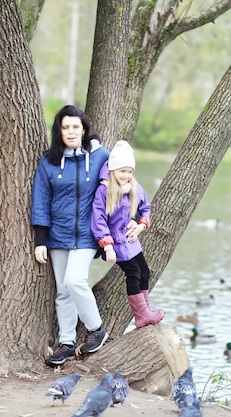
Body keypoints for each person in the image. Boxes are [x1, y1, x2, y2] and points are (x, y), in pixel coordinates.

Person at [31, 104, 110, 366]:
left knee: (75, 281)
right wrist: (40, 240)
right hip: (57, 235)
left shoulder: (99, 157)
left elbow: (123, 178)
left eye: (76, 126)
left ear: (84, 129)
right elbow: (40, 199)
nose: (71, 131)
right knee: (63, 290)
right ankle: (66, 342)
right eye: (66, 127)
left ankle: (96, 328)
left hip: (87, 235)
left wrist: (137, 218)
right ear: (59, 131)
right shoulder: (49, 161)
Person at [90, 140, 165, 328]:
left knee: (145, 272)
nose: (126, 176)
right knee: (133, 272)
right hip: (115, 242)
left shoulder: (134, 187)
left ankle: (147, 310)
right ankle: (140, 315)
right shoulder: (104, 190)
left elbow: (145, 207)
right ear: (113, 169)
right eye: (122, 171)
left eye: (130, 171)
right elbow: (98, 219)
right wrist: (107, 246)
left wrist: (141, 225)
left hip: (130, 239)